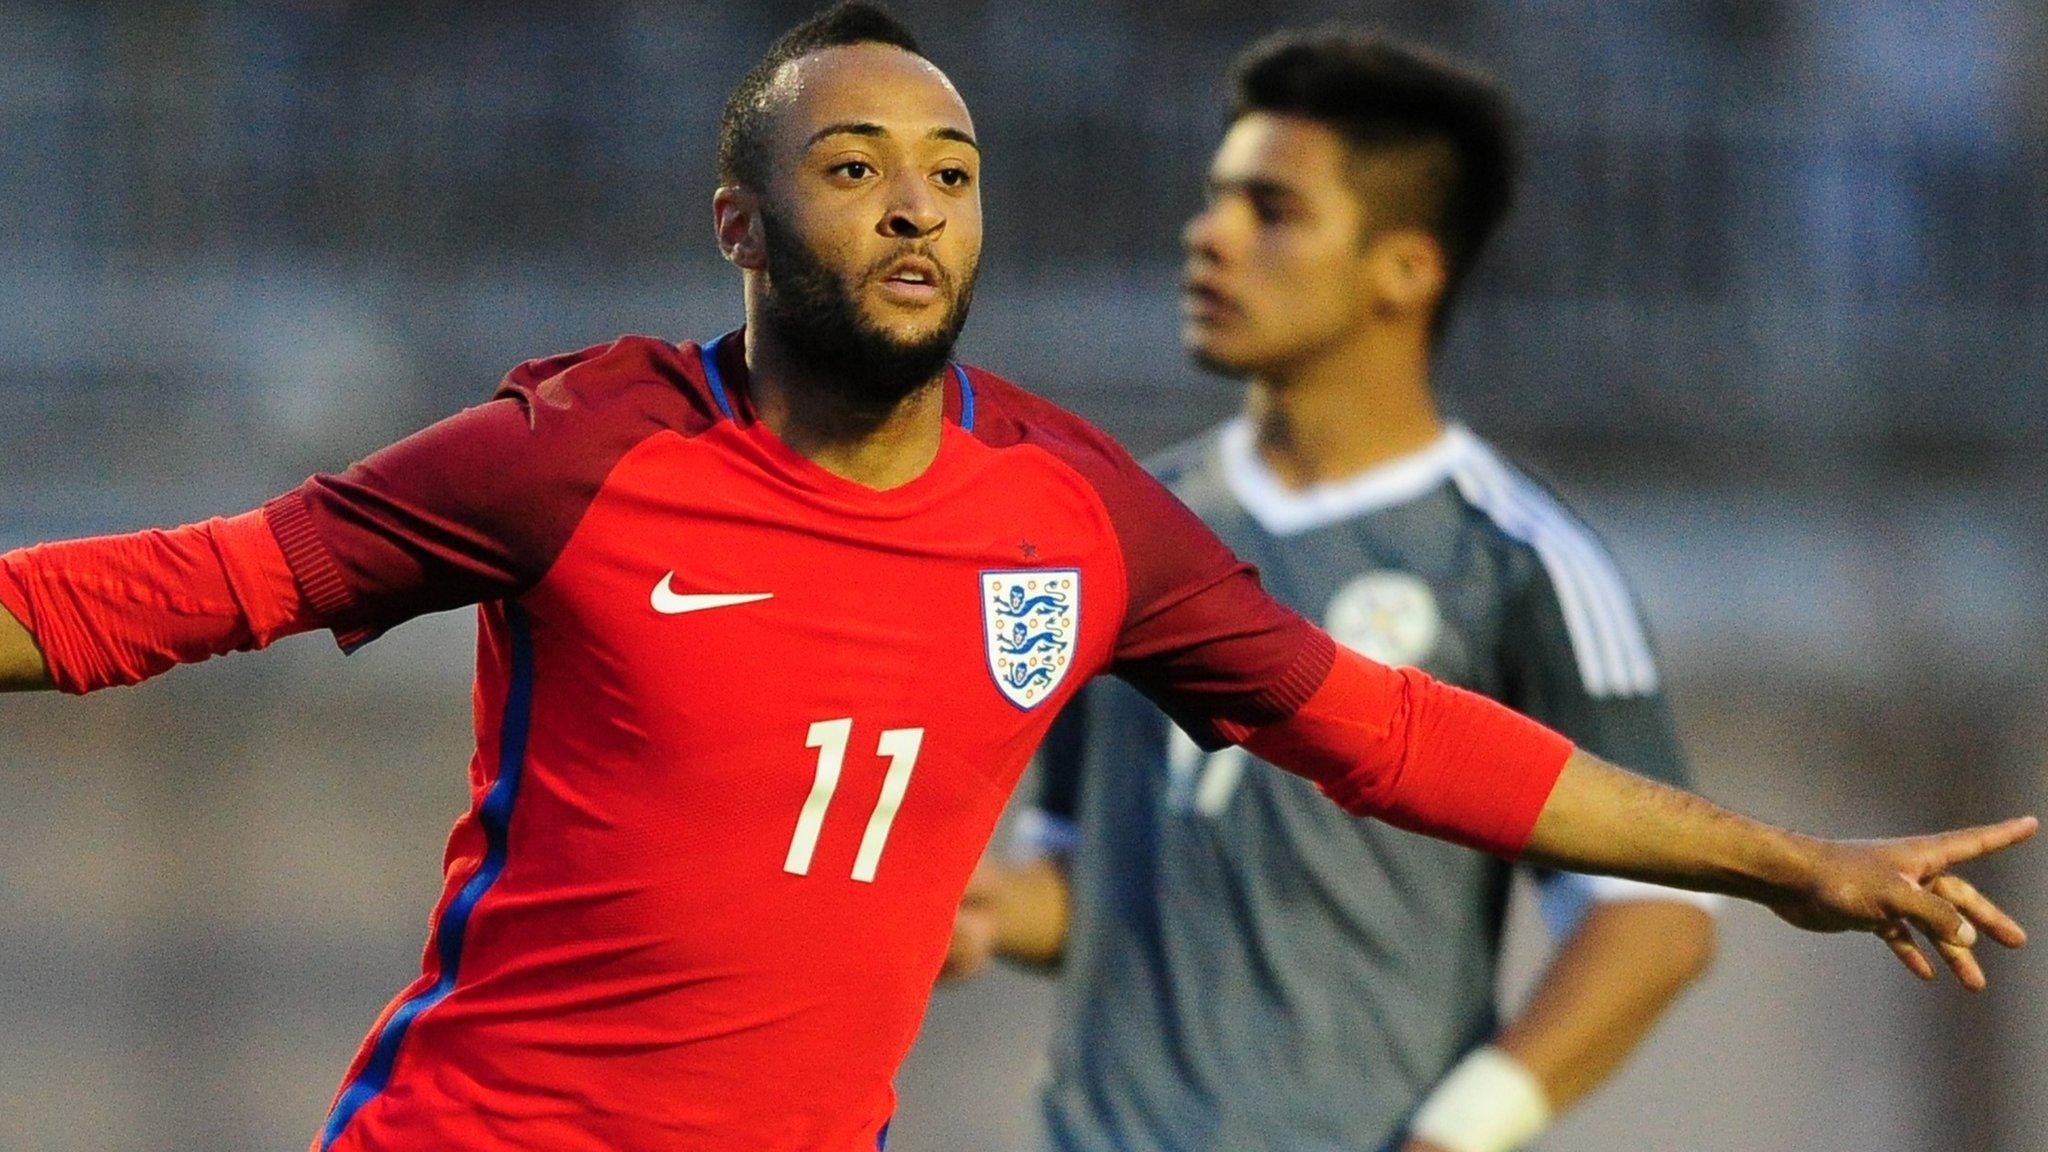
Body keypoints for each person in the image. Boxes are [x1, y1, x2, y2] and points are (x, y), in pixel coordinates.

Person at [0, 5, 2031, 1152]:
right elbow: (164, 592)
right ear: (738, 216)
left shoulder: (1067, 514)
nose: (912, 205)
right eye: (854, 163)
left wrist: (1777, 861)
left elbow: (1388, 738)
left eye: (952, 172)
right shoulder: (578, 452)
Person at [941, 32, 1727, 1152]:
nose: (1206, 236)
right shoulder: (1112, 524)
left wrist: (1453, 1136)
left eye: (1270, 210)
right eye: (1214, 199)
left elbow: (1654, 921)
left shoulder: (1512, 560)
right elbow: (1085, 870)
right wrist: (977, 906)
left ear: (1403, 270)